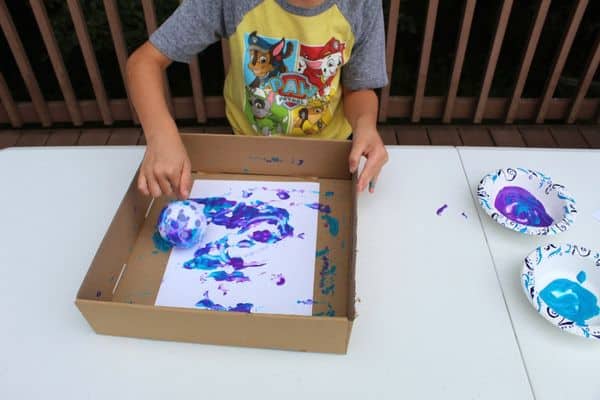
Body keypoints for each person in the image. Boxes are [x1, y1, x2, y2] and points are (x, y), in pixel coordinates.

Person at [126, 0, 389, 199]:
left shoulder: (361, 5)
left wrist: (366, 125)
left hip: (330, 154)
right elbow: (144, 62)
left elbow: (360, 87)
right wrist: (161, 137)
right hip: (248, 145)